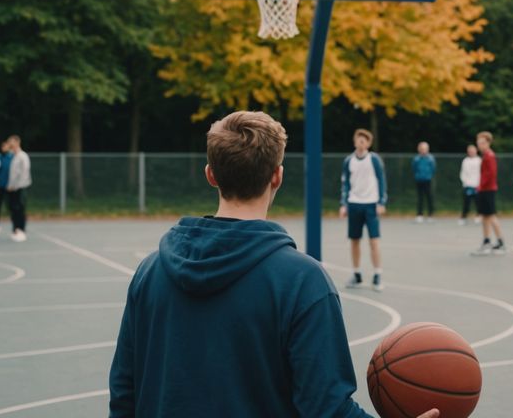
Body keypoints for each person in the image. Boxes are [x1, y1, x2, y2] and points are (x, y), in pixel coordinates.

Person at [108, 111, 439, 418]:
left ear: (211, 175)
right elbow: (325, 409)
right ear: (277, 176)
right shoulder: (302, 282)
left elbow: (124, 394)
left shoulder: (149, 273)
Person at [340, 128, 388, 291]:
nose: (361, 142)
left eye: (364, 140)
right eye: (358, 139)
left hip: (371, 204)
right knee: (354, 240)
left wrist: (381, 202)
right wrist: (344, 204)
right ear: (354, 141)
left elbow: (382, 180)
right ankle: (357, 274)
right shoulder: (349, 161)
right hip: (354, 204)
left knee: (374, 241)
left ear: (368, 143)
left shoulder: (374, 160)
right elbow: (345, 183)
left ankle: (377, 274)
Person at [471, 131, 504, 255]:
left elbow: (491, 174)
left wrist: (481, 186)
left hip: (488, 190)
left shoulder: (490, 156)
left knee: (491, 216)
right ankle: (486, 241)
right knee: (485, 216)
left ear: (488, 143)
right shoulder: (485, 156)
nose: (480, 145)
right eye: (479, 143)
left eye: (483, 143)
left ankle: (501, 243)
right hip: (484, 189)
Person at [6, 135, 31, 242]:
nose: (10, 144)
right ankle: (15, 229)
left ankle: (21, 230)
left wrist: (15, 187)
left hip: (21, 188)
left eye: (12, 142)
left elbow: (24, 173)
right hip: (12, 188)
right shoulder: (13, 156)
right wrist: (10, 186)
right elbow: (13, 174)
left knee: (20, 209)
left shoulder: (23, 156)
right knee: (13, 209)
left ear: (17, 143)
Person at [412, 141, 436, 223]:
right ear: (419, 149)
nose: (423, 150)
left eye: (425, 149)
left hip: (428, 180)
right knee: (420, 198)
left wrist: (429, 176)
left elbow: (433, 169)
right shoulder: (416, 159)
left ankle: (430, 215)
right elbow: (414, 169)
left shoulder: (430, 158)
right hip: (419, 180)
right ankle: (419, 215)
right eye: (422, 149)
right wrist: (417, 176)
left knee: (429, 197)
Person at [459, 144, 481, 226]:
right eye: (470, 151)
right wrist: (465, 182)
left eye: (473, 150)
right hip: (467, 185)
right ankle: (463, 217)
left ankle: (478, 216)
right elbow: (463, 173)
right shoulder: (465, 161)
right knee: (466, 203)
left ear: (476, 151)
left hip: (477, 186)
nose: (471, 152)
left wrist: (479, 184)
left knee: (478, 203)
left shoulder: (479, 160)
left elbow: (481, 173)